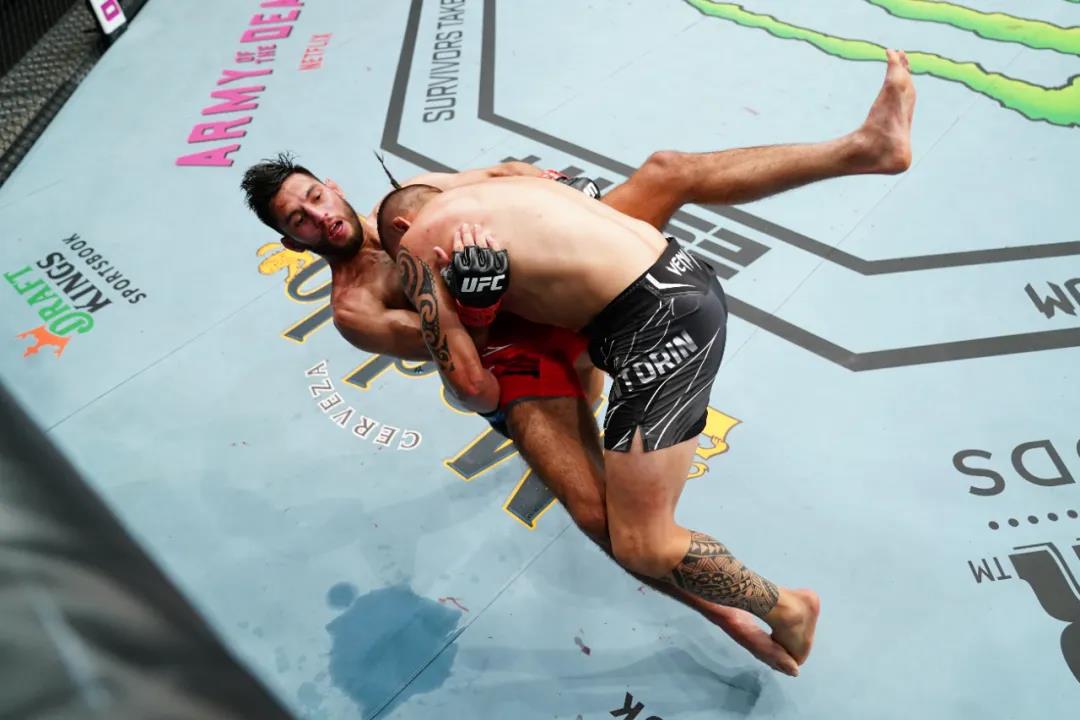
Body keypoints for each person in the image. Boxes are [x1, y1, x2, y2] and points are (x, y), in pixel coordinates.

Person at [241, 49, 916, 674]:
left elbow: (503, 176)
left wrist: (552, 190)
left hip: (569, 296)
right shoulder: (356, 308)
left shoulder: (413, 198)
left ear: (331, 186)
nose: (318, 217)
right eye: (298, 220)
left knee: (666, 171)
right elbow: (463, 368)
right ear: (291, 241)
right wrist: (477, 303)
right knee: (602, 518)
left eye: (315, 198)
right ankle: (729, 614)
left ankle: (861, 148)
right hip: (507, 348)